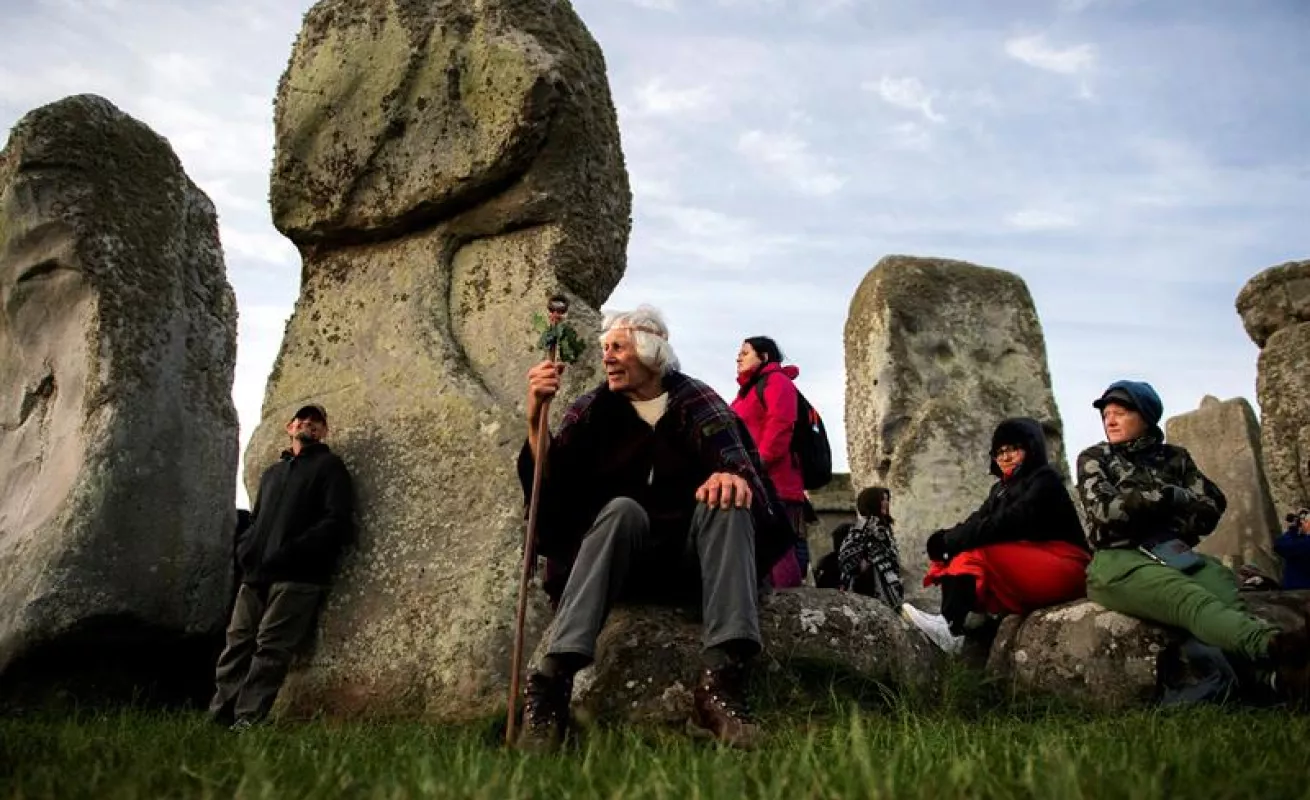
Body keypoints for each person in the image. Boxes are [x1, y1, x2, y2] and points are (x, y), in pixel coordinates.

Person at [515, 306, 793, 752]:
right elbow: (553, 488)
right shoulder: (592, 410)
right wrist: (535, 420)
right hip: (621, 563)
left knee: (727, 499)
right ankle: (550, 688)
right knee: (622, 509)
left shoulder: (697, 401)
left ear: (650, 351)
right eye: (605, 348)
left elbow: (741, 465)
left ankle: (720, 685)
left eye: (618, 347)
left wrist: (729, 476)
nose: (607, 357)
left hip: (692, 564)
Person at [1077, 380, 1308, 697]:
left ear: (1145, 416)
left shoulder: (1176, 458)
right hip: (1119, 560)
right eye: (1106, 415)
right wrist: (1167, 497)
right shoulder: (1095, 458)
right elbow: (1106, 513)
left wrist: (1155, 512)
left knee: (1224, 597)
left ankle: (1275, 682)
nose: (1110, 420)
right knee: (1190, 601)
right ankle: (1277, 645)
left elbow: (1211, 506)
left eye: (1120, 412)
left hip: (1172, 551)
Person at [208, 404, 355, 731]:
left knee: (271, 649)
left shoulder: (330, 467)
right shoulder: (273, 474)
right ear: (289, 428)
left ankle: (247, 720)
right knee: (236, 644)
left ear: (324, 432)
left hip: (298, 576)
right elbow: (257, 520)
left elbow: (336, 521)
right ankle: (219, 716)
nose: (309, 424)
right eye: (302, 420)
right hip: (256, 574)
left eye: (317, 422)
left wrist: (293, 551)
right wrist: (246, 549)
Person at [904, 418, 1090, 653]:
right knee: (957, 554)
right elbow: (977, 521)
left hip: (1067, 563)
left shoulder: (1045, 480)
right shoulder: (1000, 489)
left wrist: (949, 540)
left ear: (1030, 448)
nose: (1005, 457)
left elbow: (1008, 523)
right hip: (1033, 563)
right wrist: (945, 540)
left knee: (978, 551)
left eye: (1013, 448)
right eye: (999, 451)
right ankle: (954, 625)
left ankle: (950, 627)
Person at [730, 336, 810, 586]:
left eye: (745, 353)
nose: (738, 357)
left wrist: (759, 464)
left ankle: (789, 607)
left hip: (775, 481)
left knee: (779, 547)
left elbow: (780, 425)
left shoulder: (776, 381)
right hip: (755, 480)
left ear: (764, 357)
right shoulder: (747, 391)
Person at [837, 487, 904, 607]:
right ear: (872, 502)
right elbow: (845, 556)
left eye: (887, 499)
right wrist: (862, 565)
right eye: (882, 499)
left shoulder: (884, 528)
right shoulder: (863, 526)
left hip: (888, 585)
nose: (886, 503)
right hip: (869, 588)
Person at [1276, 508, 1310, 590]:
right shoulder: (1302, 541)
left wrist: (1292, 530)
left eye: (1305, 521)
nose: (1301, 523)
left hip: (1299, 590)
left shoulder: (1304, 543)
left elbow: (1280, 546)